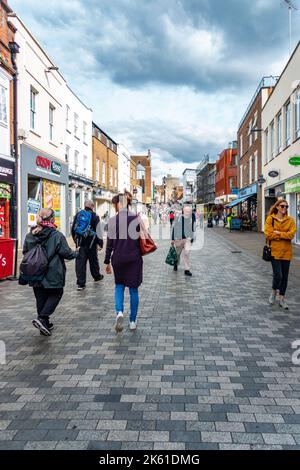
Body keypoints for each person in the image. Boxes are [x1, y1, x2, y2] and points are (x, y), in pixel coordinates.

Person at [22, 208, 77, 336]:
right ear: (52, 219)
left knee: (40, 296)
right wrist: (77, 253)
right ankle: (42, 318)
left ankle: (44, 324)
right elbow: (66, 253)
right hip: (53, 272)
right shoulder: (57, 235)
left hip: (35, 272)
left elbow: (25, 253)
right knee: (56, 293)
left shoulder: (30, 235)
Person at [104, 192, 143, 332]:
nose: (114, 207)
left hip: (118, 259)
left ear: (119, 204)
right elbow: (143, 238)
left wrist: (106, 261)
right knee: (133, 290)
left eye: (115, 204)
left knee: (119, 286)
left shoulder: (113, 221)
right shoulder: (136, 219)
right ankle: (132, 320)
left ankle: (119, 312)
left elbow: (109, 244)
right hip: (134, 259)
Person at [264, 199, 296, 310]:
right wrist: (284, 235)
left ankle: (282, 299)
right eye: (282, 206)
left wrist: (278, 233)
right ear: (277, 207)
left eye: (286, 207)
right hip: (274, 251)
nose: (285, 208)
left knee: (285, 277)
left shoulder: (290, 220)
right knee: (278, 275)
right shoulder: (270, 219)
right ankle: (273, 292)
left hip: (287, 252)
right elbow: (268, 235)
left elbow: (291, 235)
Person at [72, 200, 103, 291]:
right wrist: (100, 243)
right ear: (92, 206)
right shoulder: (95, 216)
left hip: (81, 244)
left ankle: (81, 284)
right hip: (92, 243)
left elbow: (73, 229)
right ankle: (97, 276)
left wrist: (76, 242)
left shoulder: (78, 215)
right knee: (93, 261)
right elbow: (98, 231)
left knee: (80, 263)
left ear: (85, 205)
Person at [171, 204, 196, 277]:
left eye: (189, 211)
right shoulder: (178, 218)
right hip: (178, 239)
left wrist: (191, 238)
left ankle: (187, 269)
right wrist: (172, 239)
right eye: (186, 211)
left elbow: (193, 229)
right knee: (177, 254)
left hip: (187, 239)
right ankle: (176, 263)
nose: (188, 212)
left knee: (187, 253)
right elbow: (174, 228)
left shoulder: (192, 218)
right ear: (183, 211)